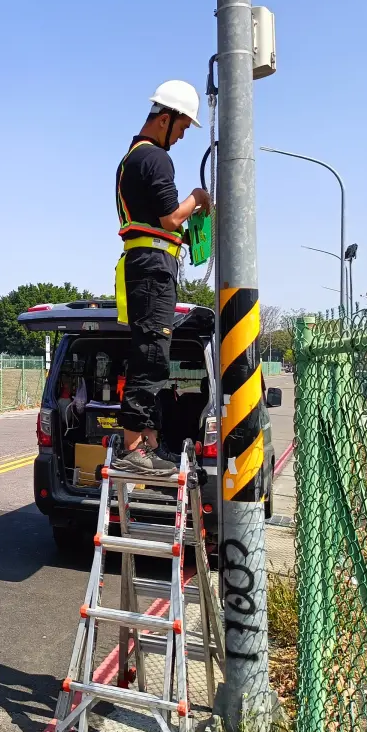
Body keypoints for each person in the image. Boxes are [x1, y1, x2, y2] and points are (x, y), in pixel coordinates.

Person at [111, 80, 212, 474]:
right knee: (152, 355)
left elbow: (160, 224)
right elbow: (171, 216)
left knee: (153, 353)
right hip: (152, 268)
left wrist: (187, 233)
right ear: (165, 118)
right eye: (184, 126)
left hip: (146, 262)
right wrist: (198, 198)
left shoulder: (133, 158)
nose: (184, 134)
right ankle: (134, 446)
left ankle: (148, 442)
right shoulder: (154, 158)